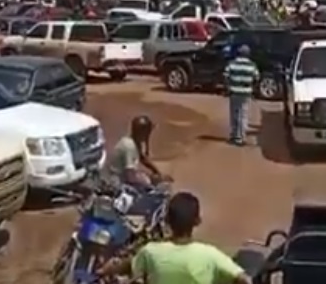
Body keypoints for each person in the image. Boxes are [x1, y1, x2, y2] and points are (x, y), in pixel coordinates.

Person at [100, 192, 251, 284]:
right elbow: (244, 279)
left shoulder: (150, 252)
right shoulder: (211, 255)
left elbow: (124, 266)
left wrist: (104, 270)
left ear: (167, 220)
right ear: (197, 221)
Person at [106, 115, 164, 188]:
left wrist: (157, 172)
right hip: (117, 182)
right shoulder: (129, 146)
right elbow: (130, 175)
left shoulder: (133, 141)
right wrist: (148, 181)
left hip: (123, 177)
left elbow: (142, 158)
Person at [224, 44, 259, 146]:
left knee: (234, 114)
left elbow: (226, 76)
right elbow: (256, 77)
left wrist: (228, 87)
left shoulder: (232, 63)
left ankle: (234, 135)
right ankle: (241, 137)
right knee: (243, 115)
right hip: (246, 93)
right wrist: (252, 88)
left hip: (234, 92)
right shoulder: (252, 65)